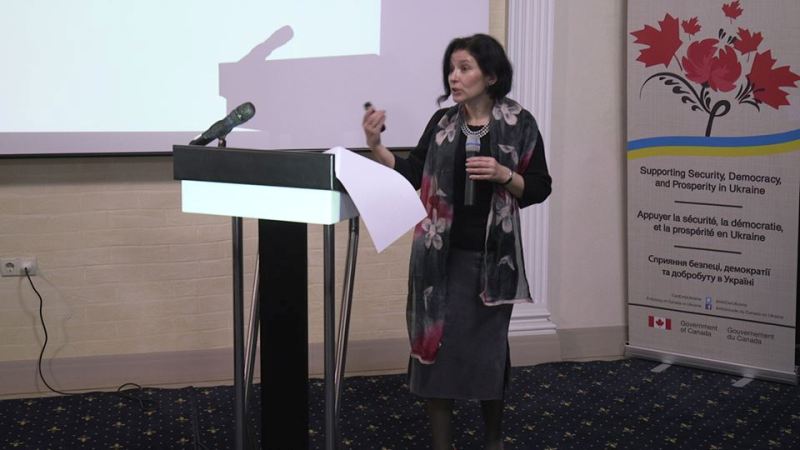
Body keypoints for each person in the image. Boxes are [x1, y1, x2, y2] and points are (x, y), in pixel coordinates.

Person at [362, 33, 552, 450]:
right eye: (451, 68)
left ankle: (493, 440)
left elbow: (539, 187)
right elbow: (414, 174)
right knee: (436, 350)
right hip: (438, 260)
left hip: (492, 261)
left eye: (465, 68)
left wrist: (504, 174)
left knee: (488, 355)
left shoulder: (520, 123)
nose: (454, 76)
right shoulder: (443, 123)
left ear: (491, 75)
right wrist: (376, 146)